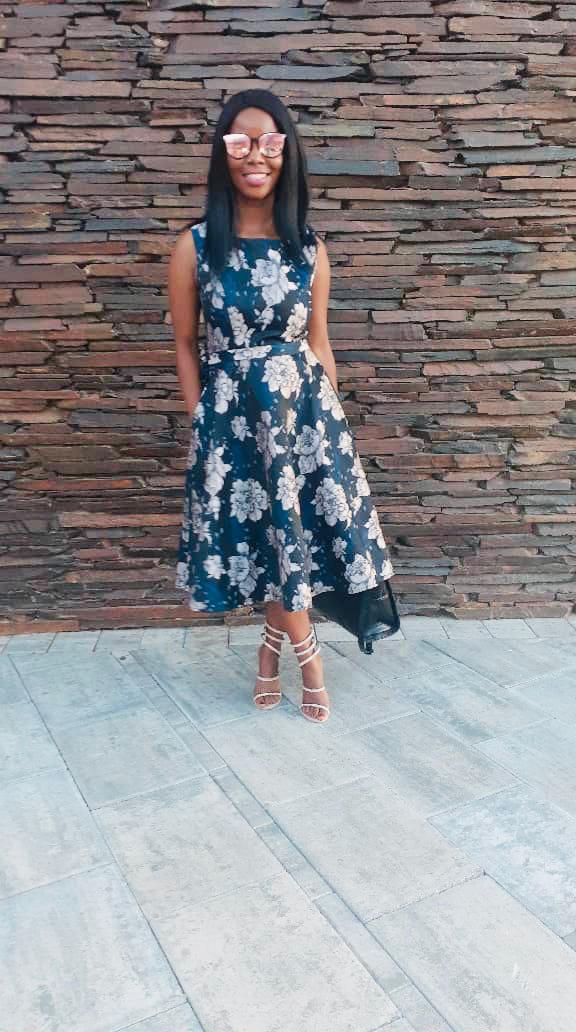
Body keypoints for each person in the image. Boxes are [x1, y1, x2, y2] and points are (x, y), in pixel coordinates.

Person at [168, 88, 395, 724]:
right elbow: (184, 343)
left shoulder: (309, 249)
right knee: (275, 543)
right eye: (240, 142)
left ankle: (273, 652)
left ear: (286, 153)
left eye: (270, 143)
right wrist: (202, 419)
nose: (255, 156)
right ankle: (308, 657)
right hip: (233, 424)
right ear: (223, 154)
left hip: (305, 421)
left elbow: (318, 342)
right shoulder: (195, 247)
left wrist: (337, 429)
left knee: (288, 544)